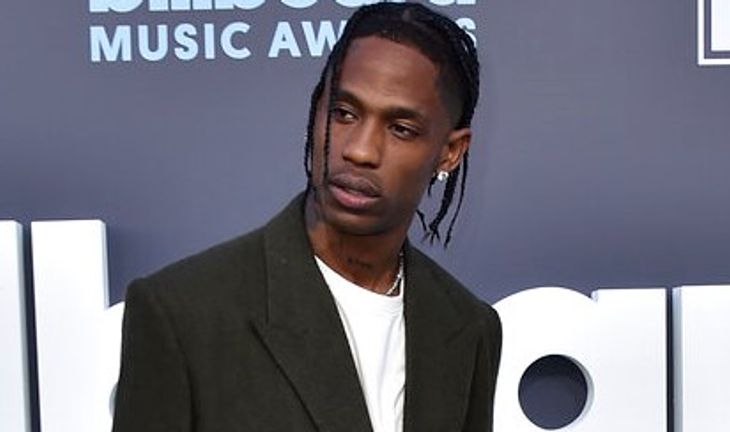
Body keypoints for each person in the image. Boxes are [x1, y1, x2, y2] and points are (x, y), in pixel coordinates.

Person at [111, 3, 502, 432]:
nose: (360, 150)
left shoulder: (468, 328)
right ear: (316, 111)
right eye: (344, 113)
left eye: (400, 128)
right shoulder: (183, 313)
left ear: (450, 151)